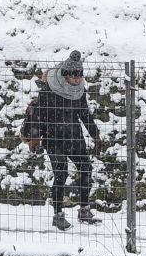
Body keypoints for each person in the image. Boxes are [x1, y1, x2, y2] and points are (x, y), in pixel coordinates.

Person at [33, 50, 101, 230]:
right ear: (65, 75)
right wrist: (37, 140)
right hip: (54, 139)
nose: (77, 80)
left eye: (80, 76)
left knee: (86, 168)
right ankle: (58, 214)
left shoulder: (79, 91)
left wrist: (95, 135)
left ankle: (84, 209)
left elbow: (84, 114)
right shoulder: (49, 91)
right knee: (61, 174)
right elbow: (39, 115)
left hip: (74, 137)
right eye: (73, 76)